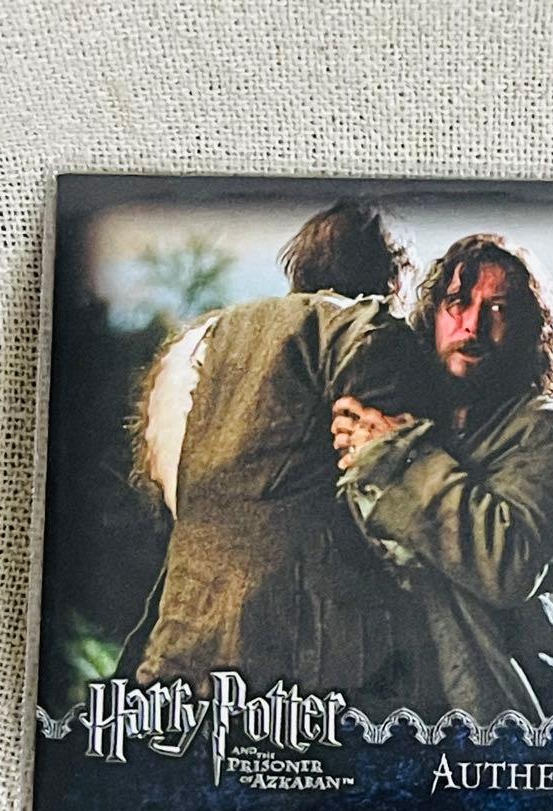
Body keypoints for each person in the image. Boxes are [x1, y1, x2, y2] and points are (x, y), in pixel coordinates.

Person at [118, 199, 445, 701]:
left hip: (183, 640)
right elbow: (396, 509)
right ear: (394, 274)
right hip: (310, 660)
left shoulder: (202, 338)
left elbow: (168, 481)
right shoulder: (365, 331)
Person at [333, 234, 553, 722]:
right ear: (433, 316)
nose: (472, 325)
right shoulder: (406, 419)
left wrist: (399, 458)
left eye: (498, 309)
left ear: (527, 329)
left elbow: (507, 567)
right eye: (457, 303)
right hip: (395, 701)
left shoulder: (552, 434)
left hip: (505, 706)